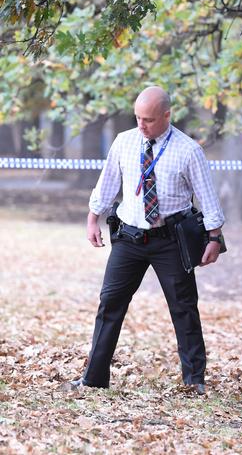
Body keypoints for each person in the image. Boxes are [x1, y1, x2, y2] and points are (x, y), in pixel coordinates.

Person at [71, 86, 225, 395]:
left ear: (167, 115)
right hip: (128, 238)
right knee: (109, 304)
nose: (142, 125)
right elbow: (107, 184)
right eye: (138, 117)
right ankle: (94, 378)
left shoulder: (188, 150)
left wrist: (214, 237)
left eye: (150, 119)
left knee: (184, 309)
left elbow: (208, 198)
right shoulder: (124, 142)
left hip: (170, 240)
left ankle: (194, 381)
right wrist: (93, 218)